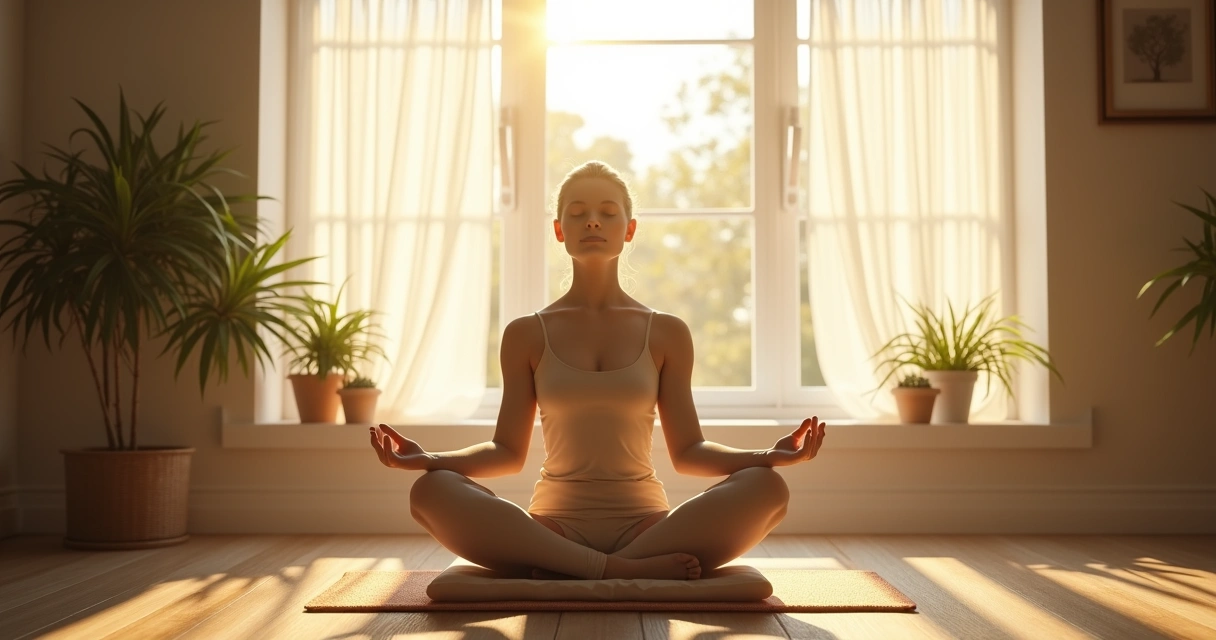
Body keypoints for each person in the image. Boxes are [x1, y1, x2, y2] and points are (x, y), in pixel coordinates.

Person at [370, 160, 827, 582]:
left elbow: (689, 452)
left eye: (608, 213)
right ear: (558, 230)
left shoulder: (666, 332)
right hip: (553, 528)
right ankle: (617, 570)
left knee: (768, 487)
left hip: (650, 528)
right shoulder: (526, 334)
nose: (593, 221)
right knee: (429, 493)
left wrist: (769, 455)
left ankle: (582, 570)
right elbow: (507, 452)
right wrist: (430, 460)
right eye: (578, 212)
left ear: (629, 230)